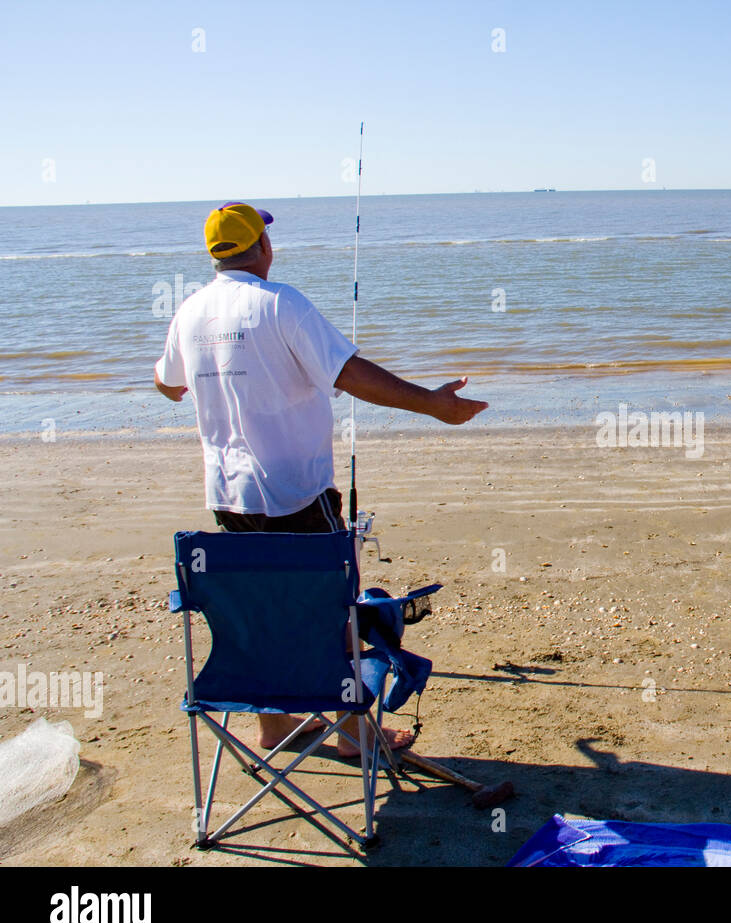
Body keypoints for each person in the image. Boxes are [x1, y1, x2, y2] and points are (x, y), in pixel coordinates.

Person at [155, 201, 487, 755]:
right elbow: (350, 373)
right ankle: (355, 732)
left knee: (260, 605)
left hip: (228, 497)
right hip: (298, 493)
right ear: (262, 246)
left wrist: (208, 373)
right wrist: (433, 405)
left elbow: (168, 384)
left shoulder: (189, 311)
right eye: (266, 236)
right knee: (333, 606)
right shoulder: (281, 303)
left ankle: (272, 724)